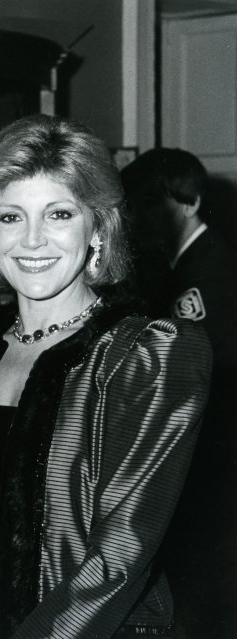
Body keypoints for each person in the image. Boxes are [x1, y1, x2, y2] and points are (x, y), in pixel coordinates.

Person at [0, 115, 212, 639]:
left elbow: (120, 554)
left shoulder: (144, 357)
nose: (32, 241)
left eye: (59, 214)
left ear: (98, 229)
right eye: (10, 217)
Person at [122, 148, 237, 638]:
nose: (139, 217)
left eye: (151, 203)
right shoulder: (177, 266)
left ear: (189, 203)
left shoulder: (208, 273)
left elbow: (191, 378)